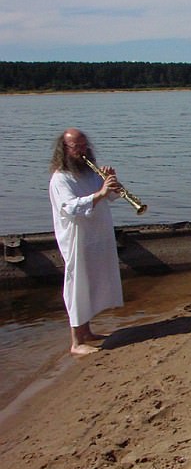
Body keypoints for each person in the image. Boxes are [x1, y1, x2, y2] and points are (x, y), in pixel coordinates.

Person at [49, 128, 124, 355]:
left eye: (84, 146)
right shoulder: (61, 178)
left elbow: (111, 196)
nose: (82, 151)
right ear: (65, 150)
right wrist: (101, 193)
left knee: (92, 281)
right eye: (76, 147)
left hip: (97, 235)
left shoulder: (91, 172)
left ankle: (88, 332)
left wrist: (112, 183)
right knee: (76, 285)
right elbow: (71, 207)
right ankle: (75, 342)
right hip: (76, 238)